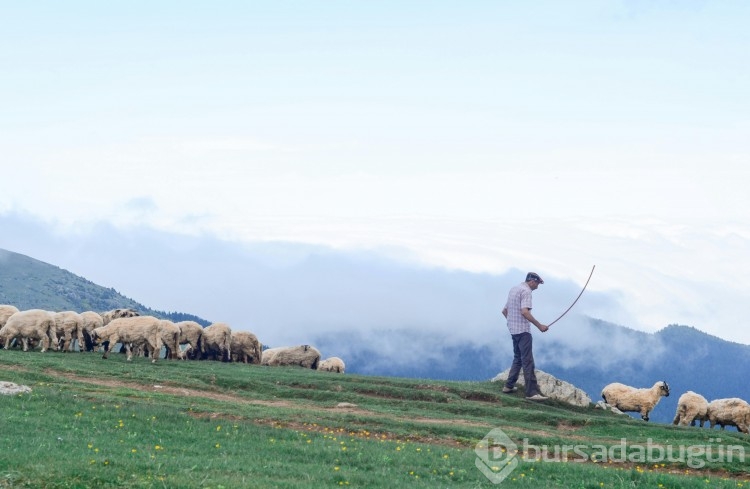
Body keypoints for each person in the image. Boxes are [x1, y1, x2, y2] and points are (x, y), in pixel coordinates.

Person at [501, 272, 549, 401]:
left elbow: (504, 310)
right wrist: (539, 326)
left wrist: (511, 323)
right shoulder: (527, 292)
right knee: (527, 361)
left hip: (513, 330)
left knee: (518, 358)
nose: (538, 287)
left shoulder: (514, 289)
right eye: (538, 284)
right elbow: (524, 311)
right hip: (523, 331)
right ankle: (531, 393)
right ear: (532, 281)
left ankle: (509, 386)